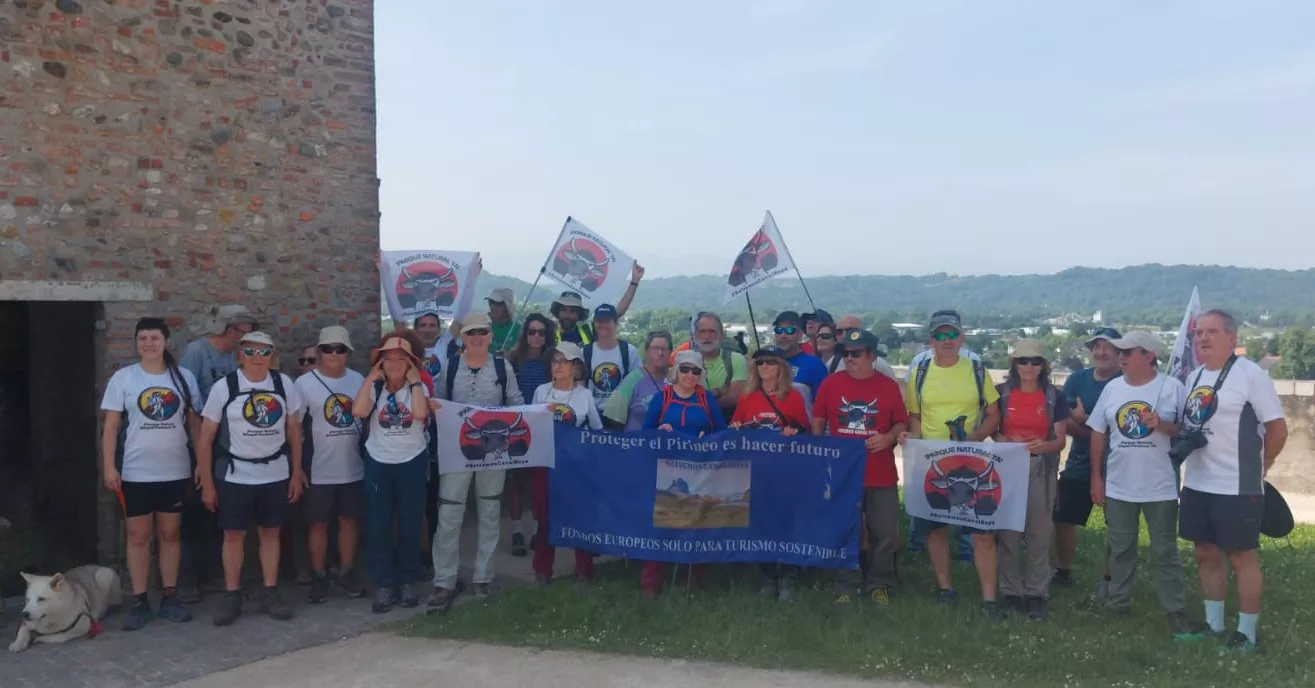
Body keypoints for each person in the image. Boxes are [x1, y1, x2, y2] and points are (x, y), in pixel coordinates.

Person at [1177, 310, 1286, 652]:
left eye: (1211, 332)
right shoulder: (1195, 376)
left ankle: (1247, 633)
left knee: (1241, 556)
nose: (1202, 338)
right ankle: (1214, 626)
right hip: (1198, 482)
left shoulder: (1250, 375)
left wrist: (1263, 464)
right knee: (1205, 553)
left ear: (1231, 338)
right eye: (1198, 333)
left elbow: (1277, 429)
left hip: (1236, 485)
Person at [1087, 331, 1207, 640]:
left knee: (1165, 550)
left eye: (1128, 352)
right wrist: (1096, 477)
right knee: (1121, 548)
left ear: (1149, 355)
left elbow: (1189, 429)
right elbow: (1098, 432)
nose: (1121, 357)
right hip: (1118, 485)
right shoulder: (1112, 388)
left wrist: (1161, 425)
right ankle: (1118, 603)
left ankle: (1175, 610)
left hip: (1160, 485)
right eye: (1120, 352)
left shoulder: (1172, 388)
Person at [196, 331, 305, 626]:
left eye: (264, 352)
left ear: (273, 356)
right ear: (240, 355)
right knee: (233, 535)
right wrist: (207, 482)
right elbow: (205, 437)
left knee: (271, 532)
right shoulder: (224, 387)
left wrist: (296, 472)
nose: (258, 358)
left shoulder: (284, 385)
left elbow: (294, 431)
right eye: (251, 351)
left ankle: (270, 591)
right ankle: (232, 594)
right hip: (235, 475)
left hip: (275, 472)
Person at [100, 317, 203, 630]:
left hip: (175, 471)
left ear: (166, 342)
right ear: (136, 343)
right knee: (138, 536)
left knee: (170, 534)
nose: (148, 344)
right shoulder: (124, 378)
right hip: (135, 472)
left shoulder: (183, 378)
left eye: (154, 338)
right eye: (142, 338)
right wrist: (109, 466)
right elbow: (111, 427)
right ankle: (140, 600)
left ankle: (170, 596)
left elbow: (195, 423)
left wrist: (201, 462)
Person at [899, 309, 1002, 618]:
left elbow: (994, 414)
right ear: (931, 340)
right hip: (933, 460)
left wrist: (975, 437)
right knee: (935, 528)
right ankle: (946, 589)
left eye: (952, 334)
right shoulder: (920, 372)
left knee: (983, 531)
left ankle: (989, 600)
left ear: (962, 337)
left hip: (971, 459)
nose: (946, 340)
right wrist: (914, 441)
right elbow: (915, 415)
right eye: (940, 335)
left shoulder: (977, 369)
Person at [429, 313, 526, 608]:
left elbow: (516, 402)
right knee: (449, 515)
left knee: (489, 513)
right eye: (471, 332)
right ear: (463, 337)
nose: (476, 337)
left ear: (490, 336)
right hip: (458, 450)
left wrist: (536, 415)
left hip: (494, 451)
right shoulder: (451, 366)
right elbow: (439, 401)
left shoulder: (502, 366)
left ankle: (483, 577)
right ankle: (444, 580)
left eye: (482, 332)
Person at [813, 330, 909, 606]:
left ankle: (881, 583)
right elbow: (818, 421)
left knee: (883, 531)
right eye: (845, 353)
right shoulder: (831, 384)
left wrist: (888, 438)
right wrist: (822, 454)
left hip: (881, 473)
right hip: (843, 473)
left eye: (856, 353)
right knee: (846, 530)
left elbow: (901, 422)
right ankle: (846, 585)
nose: (849, 358)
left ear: (872, 356)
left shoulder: (888, 386)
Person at [177, 304, 257, 602]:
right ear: (230, 328)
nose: (248, 336)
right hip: (198, 441)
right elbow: (189, 406)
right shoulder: (196, 354)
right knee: (194, 510)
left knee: (220, 511)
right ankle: (187, 580)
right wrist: (200, 454)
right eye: (245, 330)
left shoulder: (236, 356)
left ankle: (214, 575)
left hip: (228, 445)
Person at [352, 333, 431, 613]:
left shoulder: (418, 388)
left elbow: (420, 414)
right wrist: (370, 379)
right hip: (379, 460)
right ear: (380, 363)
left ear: (410, 363)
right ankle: (384, 583)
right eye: (388, 359)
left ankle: (408, 579)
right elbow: (358, 411)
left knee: (410, 523)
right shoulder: (375, 388)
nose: (394, 364)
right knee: (378, 526)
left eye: (401, 359)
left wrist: (416, 382)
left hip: (411, 460)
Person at [639, 350, 726, 597]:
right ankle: (650, 584)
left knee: (696, 522)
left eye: (695, 371)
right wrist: (659, 432)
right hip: (665, 470)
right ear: (675, 371)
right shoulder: (662, 397)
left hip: (698, 469)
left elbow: (722, 432)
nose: (690, 375)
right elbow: (646, 433)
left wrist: (708, 440)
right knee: (660, 524)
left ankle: (692, 580)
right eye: (685, 369)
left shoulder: (706, 399)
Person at [994, 339, 1070, 621]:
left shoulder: (1054, 396)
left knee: (1039, 532)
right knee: (1009, 533)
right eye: (1023, 361)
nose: (1029, 366)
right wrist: (1007, 440)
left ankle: (1037, 592)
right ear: (1014, 364)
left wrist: (1044, 445)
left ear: (1043, 365)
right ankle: (1011, 592)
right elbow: (991, 430)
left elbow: (1060, 440)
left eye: (1035, 361)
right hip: (1008, 466)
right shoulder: (1001, 393)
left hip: (1041, 467)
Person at [294, 326, 368, 603]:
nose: (334, 354)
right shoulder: (304, 384)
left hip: (353, 466)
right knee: (318, 524)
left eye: (340, 349)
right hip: (318, 468)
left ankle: (346, 571)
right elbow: (294, 429)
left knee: (349, 521)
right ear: (320, 352)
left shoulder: (358, 380)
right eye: (328, 349)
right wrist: (297, 469)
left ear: (348, 352)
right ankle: (320, 575)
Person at [1054, 327, 1122, 593]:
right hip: (1079, 462)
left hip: (1118, 464)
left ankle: (1110, 577)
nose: (1101, 352)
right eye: (1097, 346)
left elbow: (1125, 429)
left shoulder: (1127, 382)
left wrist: (1087, 422)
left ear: (1120, 352)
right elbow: (1064, 422)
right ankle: (1062, 570)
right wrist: (1098, 430)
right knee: (1063, 517)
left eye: (1108, 347)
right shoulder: (1076, 380)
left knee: (1117, 523)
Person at [531, 342, 603, 587]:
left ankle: (583, 571)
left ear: (575, 366)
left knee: (579, 516)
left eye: (564, 361)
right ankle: (542, 571)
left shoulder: (585, 396)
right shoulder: (541, 392)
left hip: (575, 466)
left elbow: (596, 431)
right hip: (545, 464)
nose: (558, 366)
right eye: (555, 361)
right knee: (544, 517)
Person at [505, 314, 557, 556]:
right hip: (515, 425)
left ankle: (538, 529)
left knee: (538, 482)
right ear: (525, 334)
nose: (536, 336)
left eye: (541, 332)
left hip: (542, 428)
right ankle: (516, 530)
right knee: (516, 481)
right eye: (531, 331)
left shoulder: (551, 361)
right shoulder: (513, 360)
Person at [550, 263, 644, 344]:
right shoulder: (549, 334)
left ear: (579, 315)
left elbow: (617, 314)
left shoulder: (589, 330)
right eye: (564, 310)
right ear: (558, 312)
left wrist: (634, 282)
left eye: (572, 311)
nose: (567, 314)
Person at [603, 331, 673, 432]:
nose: (660, 353)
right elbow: (613, 419)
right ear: (646, 352)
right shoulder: (632, 380)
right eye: (655, 348)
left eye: (664, 349)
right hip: (636, 439)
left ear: (670, 352)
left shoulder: (678, 379)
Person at [584, 304, 641, 413]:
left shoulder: (629, 351)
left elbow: (638, 385)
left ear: (616, 323)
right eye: (599, 321)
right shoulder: (585, 352)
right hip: (593, 414)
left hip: (621, 415)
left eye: (607, 321)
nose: (603, 325)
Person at [690, 312, 749, 416]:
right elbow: (683, 396)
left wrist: (700, 402)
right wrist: (720, 391)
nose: (706, 337)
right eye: (702, 332)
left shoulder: (735, 359)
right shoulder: (687, 362)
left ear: (721, 335)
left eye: (711, 331)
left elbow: (735, 398)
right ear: (695, 336)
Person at [771, 311, 828, 400]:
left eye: (790, 331)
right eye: (778, 330)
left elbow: (823, 402)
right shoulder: (766, 363)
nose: (783, 335)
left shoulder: (814, 365)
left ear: (800, 334)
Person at [835, 314, 898, 380]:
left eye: (850, 331)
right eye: (839, 332)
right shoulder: (834, 362)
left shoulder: (880, 366)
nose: (844, 335)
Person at [410, 311, 457, 379]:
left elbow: (461, 316)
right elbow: (398, 316)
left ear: (439, 329)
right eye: (423, 325)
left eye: (432, 325)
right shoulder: (407, 348)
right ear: (415, 329)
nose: (427, 330)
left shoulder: (445, 343)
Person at [486, 287, 521, 353]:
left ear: (508, 306)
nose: (493, 306)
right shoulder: (480, 324)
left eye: (498, 303)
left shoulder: (518, 330)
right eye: (491, 301)